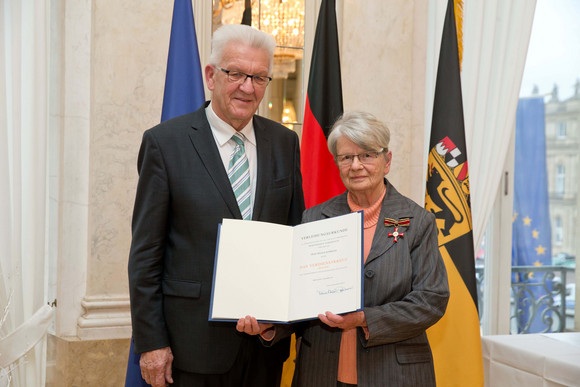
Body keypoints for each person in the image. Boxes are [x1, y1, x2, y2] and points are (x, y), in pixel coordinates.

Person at [128, 24, 305, 387]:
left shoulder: (285, 142)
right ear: (211, 75)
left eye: (258, 77)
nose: (247, 87)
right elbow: (146, 254)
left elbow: (294, 238)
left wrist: (283, 323)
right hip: (189, 348)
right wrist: (152, 343)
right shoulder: (166, 144)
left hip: (265, 345)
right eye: (236, 73)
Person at [237, 111, 449, 387]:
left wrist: (363, 319)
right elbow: (301, 298)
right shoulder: (314, 218)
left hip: (394, 374)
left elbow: (431, 300)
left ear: (387, 160)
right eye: (346, 157)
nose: (356, 165)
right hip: (320, 372)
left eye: (367, 155)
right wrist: (270, 326)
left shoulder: (418, 221)